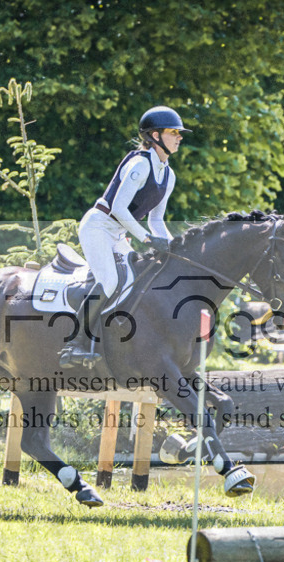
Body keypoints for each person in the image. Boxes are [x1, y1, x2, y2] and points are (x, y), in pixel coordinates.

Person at [58, 105, 190, 368]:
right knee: (109, 281)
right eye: (174, 132)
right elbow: (118, 207)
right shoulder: (140, 164)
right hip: (97, 226)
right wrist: (147, 239)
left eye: (179, 133)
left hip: (118, 232)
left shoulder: (168, 174)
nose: (180, 137)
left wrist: (170, 246)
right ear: (154, 136)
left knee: (135, 279)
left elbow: (156, 219)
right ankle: (73, 344)